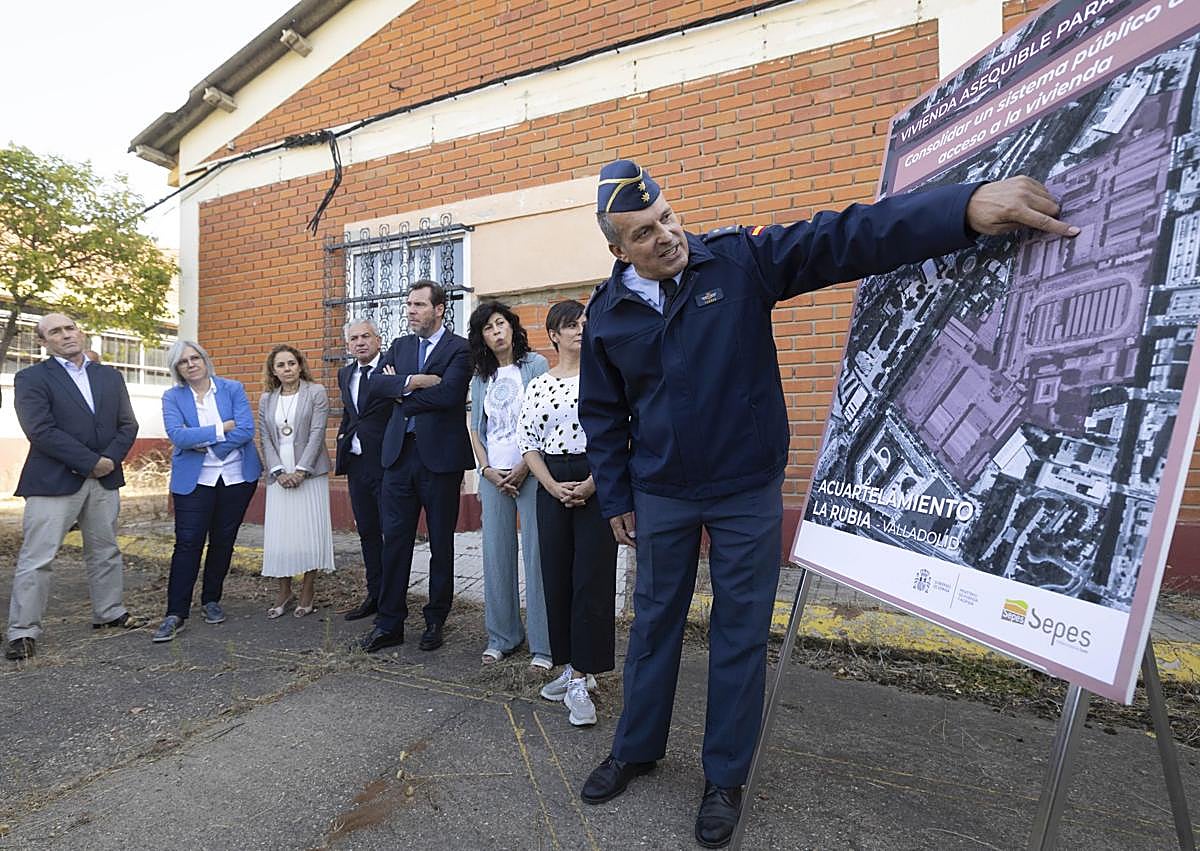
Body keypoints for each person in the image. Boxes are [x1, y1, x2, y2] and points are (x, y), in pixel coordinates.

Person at [577, 159, 1080, 848]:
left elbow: (846, 236)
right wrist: (616, 495)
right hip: (661, 494)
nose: (666, 235)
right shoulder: (607, 314)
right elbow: (602, 415)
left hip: (744, 489)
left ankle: (724, 775)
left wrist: (962, 208)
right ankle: (636, 748)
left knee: (739, 633)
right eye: (643, 232)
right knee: (654, 624)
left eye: (667, 216)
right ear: (617, 250)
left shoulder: (738, 261)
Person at [5, 313, 145, 661]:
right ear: (43, 342)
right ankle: (23, 631)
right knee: (38, 558)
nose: (66, 335)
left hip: (105, 478)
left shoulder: (109, 376)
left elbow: (127, 424)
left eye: (70, 328)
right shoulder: (32, 378)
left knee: (105, 550)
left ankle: (110, 612)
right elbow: (40, 430)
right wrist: (89, 462)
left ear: (79, 332)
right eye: (55, 331)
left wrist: (109, 460)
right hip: (53, 481)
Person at [357, 280, 473, 654]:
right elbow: (376, 385)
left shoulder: (460, 349)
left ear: (439, 309)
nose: (410, 311)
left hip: (440, 460)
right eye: (408, 304)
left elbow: (451, 394)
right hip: (398, 457)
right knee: (396, 542)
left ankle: (435, 619)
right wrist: (415, 382)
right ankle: (389, 622)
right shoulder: (400, 346)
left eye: (419, 305)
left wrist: (401, 394)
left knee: (441, 543)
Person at [519, 299, 617, 727]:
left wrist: (594, 481)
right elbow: (529, 442)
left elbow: (620, 433)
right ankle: (570, 665)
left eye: (584, 323)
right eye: (570, 325)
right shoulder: (539, 384)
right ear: (554, 335)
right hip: (552, 482)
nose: (580, 329)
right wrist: (551, 485)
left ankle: (582, 675)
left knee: (592, 578)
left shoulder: (606, 377)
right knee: (556, 577)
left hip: (597, 477)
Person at [152, 341, 261, 643]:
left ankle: (211, 600)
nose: (190, 364)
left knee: (223, 541)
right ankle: (176, 613)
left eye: (194, 357)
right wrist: (219, 429)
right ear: (177, 369)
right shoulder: (172, 397)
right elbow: (177, 435)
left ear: (204, 360)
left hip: (236, 478)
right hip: (195, 481)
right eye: (183, 361)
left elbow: (245, 430)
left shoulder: (232, 388)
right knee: (188, 543)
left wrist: (205, 441)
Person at [467, 301, 551, 668]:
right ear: (482, 338)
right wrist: (486, 470)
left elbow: (544, 421)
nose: (496, 331)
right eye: (488, 328)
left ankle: (545, 645)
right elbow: (474, 429)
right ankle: (502, 637)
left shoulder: (535, 366)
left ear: (512, 327)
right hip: (493, 478)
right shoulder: (480, 376)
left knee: (537, 557)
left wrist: (523, 467)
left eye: (500, 323)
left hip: (531, 473)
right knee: (496, 556)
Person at [258, 344, 335, 618]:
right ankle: (284, 590)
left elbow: (317, 433)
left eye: (291, 363)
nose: (287, 369)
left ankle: (307, 591)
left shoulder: (316, 392)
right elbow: (265, 437)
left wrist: (301, 470)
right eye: (281, 365)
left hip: (309, 473)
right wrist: (278, 471)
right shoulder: (266, 399)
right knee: (282, 534)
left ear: (300, 365)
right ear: (274, 371)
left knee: (307, 532)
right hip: (279, 474)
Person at [335, 317, 391, 622]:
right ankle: (374, 594)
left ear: (378, 340)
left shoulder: (390, 369)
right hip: (357, 466)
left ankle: (392, 600)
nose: (360, 342)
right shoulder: (345, 374)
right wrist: (343, 439)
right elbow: (349, 413)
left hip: (385, 465)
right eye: (354, 338)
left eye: (365, 337)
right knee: (367, 532)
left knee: (390, 534)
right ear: (348, 345)